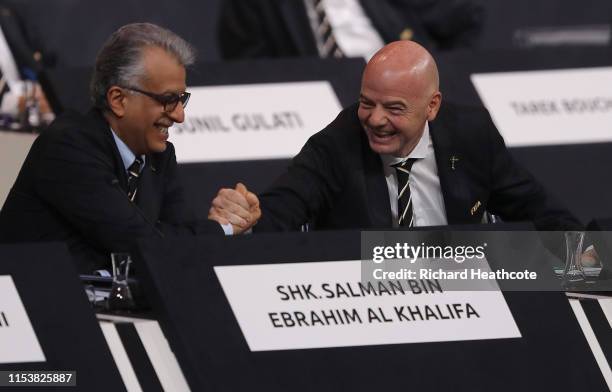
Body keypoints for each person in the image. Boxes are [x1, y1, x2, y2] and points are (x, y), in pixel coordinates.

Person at [211, 40, 580, 232]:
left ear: (432, 106)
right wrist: (247, 218)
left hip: (463, 280)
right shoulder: (339, 142)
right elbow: (281, 209)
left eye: (395, 108)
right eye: (366, 103)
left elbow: (539, 210)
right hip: (371, 292)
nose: (376, 119)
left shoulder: (471, 133)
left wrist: (591, 264)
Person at [0, 23, 260, 273]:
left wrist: (206, 230)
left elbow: (176, 243)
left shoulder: (160, 156)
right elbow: (145, 247)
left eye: (181, 100)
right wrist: (220, 228)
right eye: (168, 100)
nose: (180, 116)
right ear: (118, 99)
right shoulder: (69, 147)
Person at [218, 0, 483, 60]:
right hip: (323, 99)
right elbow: (248, 62)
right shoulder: (259, 6)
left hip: (399, 81)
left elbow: (460, 17)